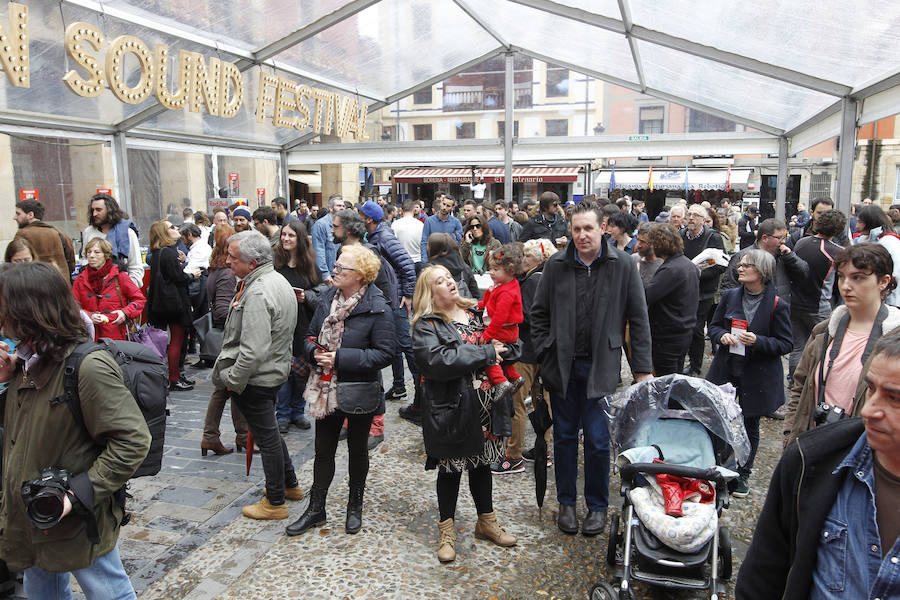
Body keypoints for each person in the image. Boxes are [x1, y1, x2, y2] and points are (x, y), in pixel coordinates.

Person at [0, 262, 150, 600]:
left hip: (77, 516)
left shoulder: (87, 364)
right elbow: (23, 428)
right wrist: (5, 384)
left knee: (107, 589)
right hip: (35, 510)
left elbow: (133, 441)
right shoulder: (28, 359)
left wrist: (77, 494)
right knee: (42, 586)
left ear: (29, 308)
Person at [735, 332, 900, 599]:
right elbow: (762, 577)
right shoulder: (811, 461)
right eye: (870, 388)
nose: (869, 411)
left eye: (894, 398)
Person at [531, 203, 652, 536]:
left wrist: (642, 368)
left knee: (599, 442)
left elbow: (638, 318)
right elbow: (538, 314)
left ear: (604, 228)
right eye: (576, 229)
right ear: (570, 231)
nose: (582, 235)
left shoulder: (624, 264)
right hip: (563, 368)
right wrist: (547, 349)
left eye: (588, 228)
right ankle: (567, 503)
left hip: (601, 366)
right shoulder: (556, 265)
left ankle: (597, 506)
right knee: (565, 438)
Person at [285, 245, 395, 536]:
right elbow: (309, 335)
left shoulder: (377, 305)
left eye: (341, 268)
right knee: (323, 450)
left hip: (358, 389)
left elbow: (385, 353)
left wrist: (340, 358)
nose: (335, 271)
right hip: (324, 387)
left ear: (360, 275)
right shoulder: (326, 298)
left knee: (357, 450)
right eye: (336, 266)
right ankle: (316, 509)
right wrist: (314, 353)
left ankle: (354, 506)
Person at [411, 265, 517, 562]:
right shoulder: (426, 325)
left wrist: (509, 347)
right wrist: (485, 353)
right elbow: (437, 362)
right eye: (440, 281)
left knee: (482, 465)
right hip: (453, 407)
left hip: (486, 405)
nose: (449, 283)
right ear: (430, 293)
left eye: (449, 278)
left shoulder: (476, 312)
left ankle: (487, 521)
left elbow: (505, 338)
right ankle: (447, 530)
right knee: (451, 468)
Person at [213, 230, 301, 520]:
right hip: (272, 372)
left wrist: (233, 381)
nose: (228, 262)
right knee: (270, 432)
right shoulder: (275, 280)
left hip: (258, 379)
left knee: (267, 438)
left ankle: (275, 502)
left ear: (251, 263)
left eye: (232, 257)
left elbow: (252, 351)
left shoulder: (258, 291)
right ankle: (289, 486)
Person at [784, 243, 900, 448]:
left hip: (865, 452)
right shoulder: (824, 331)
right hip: (814, 445)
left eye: (858, 277)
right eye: (842, 276)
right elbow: (800, 386)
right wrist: (790, 436)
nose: (846, 285)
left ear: (883, 281)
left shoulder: (894, 340)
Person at [706, 249, 793, 496]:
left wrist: (758, 341)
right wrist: (720, 335)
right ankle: (716, 465)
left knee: (749, 424)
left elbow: (786, 343)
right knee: (717, 418)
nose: (739, 269)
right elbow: (714, 326)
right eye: (740, 265)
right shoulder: (730, 295)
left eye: (746, 266)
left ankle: (744, 472)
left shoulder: (778, 304)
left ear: (762, 272)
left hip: (757, 374)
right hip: (727, 367)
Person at [493, 238, 557, 474]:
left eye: (527, 256)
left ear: (538, 259)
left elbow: (529, 317)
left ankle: (513, 456)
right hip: (546, 351)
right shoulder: (549, 277)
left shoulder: (532, 280)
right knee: (544, 402)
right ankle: (543, 449)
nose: (523, 260)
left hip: (528, 351)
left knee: (517, 403)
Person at [360, 200, 418, 407]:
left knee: (405, 345)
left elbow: (407, 265)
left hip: (397, 299)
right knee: (393, 346)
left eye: (360, 215)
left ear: (368, 219)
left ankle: (421, 395)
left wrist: (407, 294)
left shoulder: (384, 237)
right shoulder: (376, 236)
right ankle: (400, 386)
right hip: (391, 298)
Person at [200, 225, 249, 456]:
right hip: (228, 338)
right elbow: (221, 310)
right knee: (227, 387)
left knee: (226, 388)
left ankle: (223, 436)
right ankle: (230, 436)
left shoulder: (216, 269)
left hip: (226, 337)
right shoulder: (226, 274)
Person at [274, 220, 323, 434]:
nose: (285, 238)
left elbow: (322, 292)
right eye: (284, 234)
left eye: (291, 235)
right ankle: (282, 414)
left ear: (299, 239)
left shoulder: (310, 265)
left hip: (303, 325)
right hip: (280, 325)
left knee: (301, 372)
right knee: (284, 371)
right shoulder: (275, 264)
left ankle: (297, 411)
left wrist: (306, 296)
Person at [787, 209, 847, 377]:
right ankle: (813, 383)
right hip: (819, 306)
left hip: (796, 303)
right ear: (838, 229)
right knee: (822, 348)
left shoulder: (801, 243)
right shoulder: (837, 252)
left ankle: (794, 381)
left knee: (798, 347)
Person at [146, 220, 200, 391]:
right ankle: (174, 378)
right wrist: (192, 275)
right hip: (174, 303)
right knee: (177, 340)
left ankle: (174, 375)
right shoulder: (168, 253)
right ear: (164, 233)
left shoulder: (156, 253)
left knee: (172, 341)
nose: (176, 229)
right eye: (171, 228)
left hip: (162, 304)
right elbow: (178, 278)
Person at [643, 223, 699, 375]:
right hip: (683, 332)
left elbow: (646, 295)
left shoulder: (671, 269)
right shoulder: (688, 264)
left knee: (667, 383)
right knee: (675, 378)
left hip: (668, 337)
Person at [681, 203, 727, 376]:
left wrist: (700, 273)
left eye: (695, 215)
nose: (691, 218)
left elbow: (722, 266)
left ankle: (695, 366)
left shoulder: (713, 238)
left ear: (704, 219)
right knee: (684, 327)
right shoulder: (681, 235)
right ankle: (685, 361)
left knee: (696, 329)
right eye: (689, 214)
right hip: (684, 290)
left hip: (703, 292)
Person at [72, 237, 146, 341]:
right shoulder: (80, 280)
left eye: (97, 252)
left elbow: (139, 300)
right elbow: (72, 307)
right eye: (89, 252)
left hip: (116, 336)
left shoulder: (119, 276)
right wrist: (89, 315)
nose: (91, 256)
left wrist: (125, 313)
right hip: (89, 337)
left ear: (106, 255)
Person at [477, 244, 525, 399]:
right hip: (507, 329)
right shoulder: (503, 284)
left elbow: (500, 317)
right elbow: (490, 298)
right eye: (491, 268)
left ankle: (500, 382)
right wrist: (481, 305)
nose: (491, 272)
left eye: (496, 269)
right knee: (503, 354)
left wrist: (487, 334)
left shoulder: (507, 292)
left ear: (510, 270)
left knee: (490, 353)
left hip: (502, 329)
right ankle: (515, 377)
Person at [81, 193, 143, 287]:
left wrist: (127, 288)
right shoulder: (88, 232)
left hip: (120, 290)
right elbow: (85, 260)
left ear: (110, 210)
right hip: (93, 290)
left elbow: (135, 267)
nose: (94, 214)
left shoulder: (128, 233)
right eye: (92, 210)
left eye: (99, 210)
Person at [13, 198, 75, 281]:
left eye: (18, 214)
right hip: (62, 287)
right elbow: (71, 263)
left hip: (36, 287)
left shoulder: (22, 234)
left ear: (30, 215)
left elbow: (16, 266)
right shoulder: (59, 232)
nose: (15, 217)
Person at [855, 204, 900, 307]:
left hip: (888, 301)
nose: (857, 226)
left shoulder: (889, 242)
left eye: (860, 222)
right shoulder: (866, 239)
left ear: (870, 222)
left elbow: (896, 274)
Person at [310, 194, 346, 284]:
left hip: (341, 272)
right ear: (331, 208)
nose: (342, 208)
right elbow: (319, 251)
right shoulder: (321, 225)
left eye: (343, 206)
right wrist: (325, 273)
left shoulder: (344, 224)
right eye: (338, 206)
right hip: (330, 274)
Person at [420, 194, 463, 262]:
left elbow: (459, 243)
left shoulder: (456, 222)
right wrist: (424, 261)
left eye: (448, 206)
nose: (444, 207)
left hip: (450, 261)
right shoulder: (429, 221)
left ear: (453, 208)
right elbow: (424, 242)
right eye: (443, 204)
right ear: (440, 203)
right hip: (433, 260)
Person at [392, 199, 425, 270]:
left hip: (401, 260)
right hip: (418, 260)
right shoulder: (420, 224)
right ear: (413, 209)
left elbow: (393, 244)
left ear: (401, 210)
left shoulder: (395, 224)